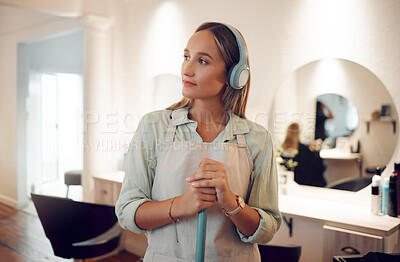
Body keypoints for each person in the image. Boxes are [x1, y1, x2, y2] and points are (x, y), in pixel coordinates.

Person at [115, 22, 281, 261]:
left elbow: (266, 231)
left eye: (202, 61)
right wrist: (180, 205)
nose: (187, 70)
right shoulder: (154, 127)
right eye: (186, 57)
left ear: (234, 74)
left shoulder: (258, 139)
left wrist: (231, 203)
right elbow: (127, 212)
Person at [281, 122, 326, 187]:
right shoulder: (303, 149)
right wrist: (315, 152)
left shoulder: (282, 149)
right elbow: (317, 167)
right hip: (307, 183)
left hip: (292, 182)